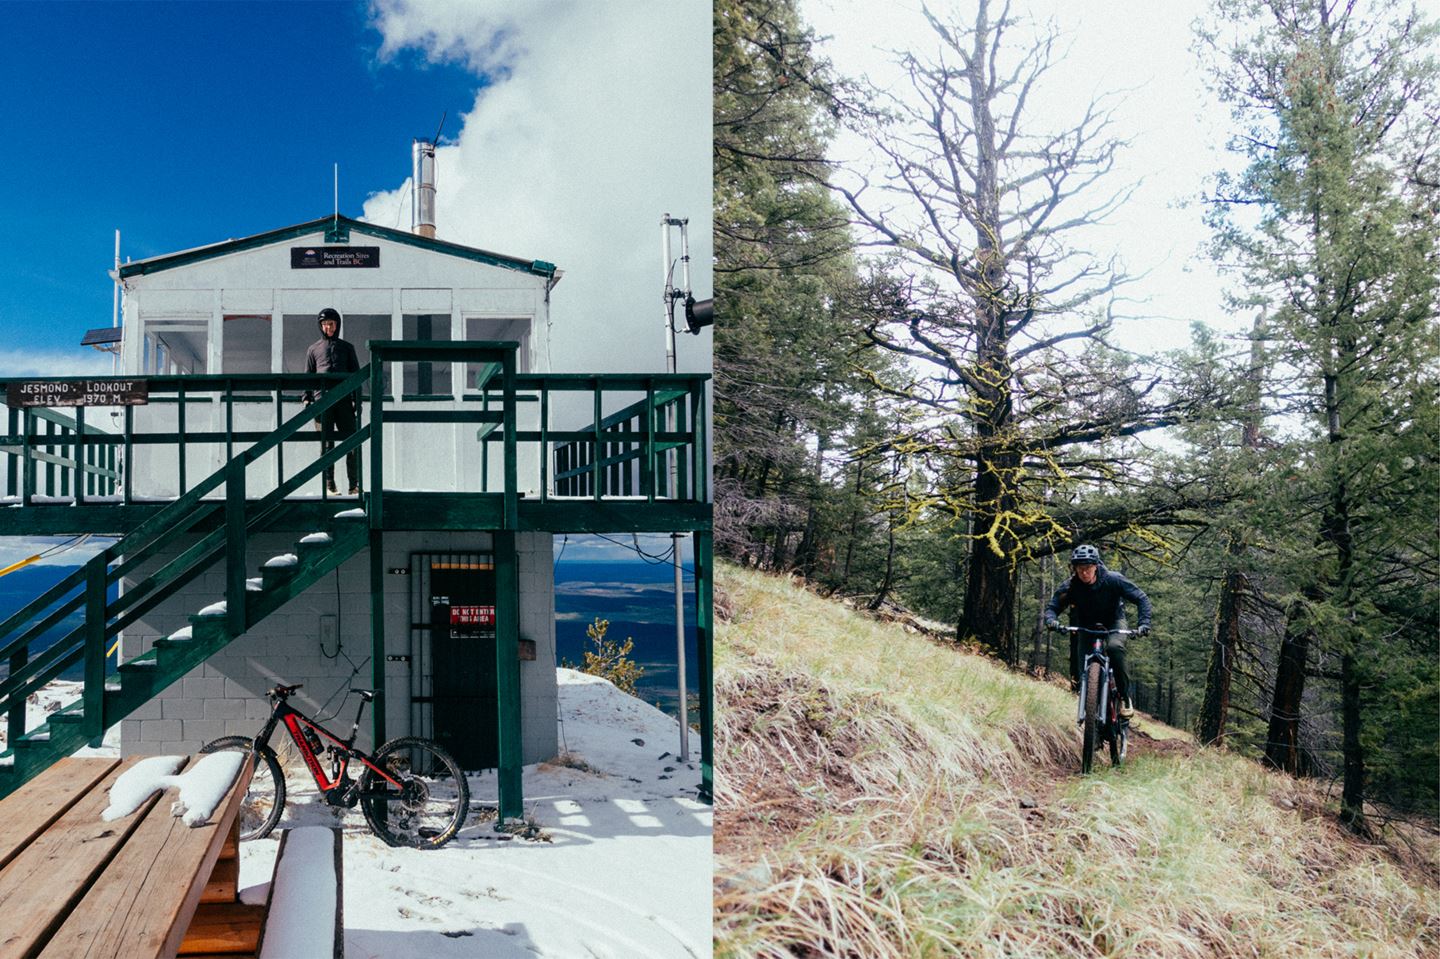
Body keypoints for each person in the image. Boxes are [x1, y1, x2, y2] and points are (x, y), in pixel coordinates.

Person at [1044, 544, 1151, 718]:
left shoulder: (1113, 580)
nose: (1083, 573)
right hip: (1087, 626)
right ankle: (1090, 709)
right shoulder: (1071, 586)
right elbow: (1053, 607)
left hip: (1114, 622)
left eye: (1087, 568)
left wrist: (1144, 623)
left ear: (1096, 566)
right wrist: (1051, 620)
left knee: (1115, 648)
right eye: (1079, 569)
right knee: (1082, 670)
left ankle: (1124, 697)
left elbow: (1141, 598)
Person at [304, 307, 361, 495]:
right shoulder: (313, 349)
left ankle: (354, 485)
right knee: (326, 444)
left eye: (331, 324)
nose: (328, 327)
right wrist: (307, 398)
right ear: (320, 326)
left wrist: (356, 400)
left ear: (337, 325)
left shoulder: (347, 348)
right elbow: (308, 375)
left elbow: (356, 375)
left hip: (344, 400)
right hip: (322, 401)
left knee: (352, 442)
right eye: (325, 324)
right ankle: (330, 485)